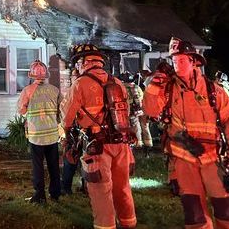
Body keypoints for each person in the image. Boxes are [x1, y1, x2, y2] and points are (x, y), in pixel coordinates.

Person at [144, 37, 229, 229]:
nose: (177, 65)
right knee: (195, 213)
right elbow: (150, 111)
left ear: (193, 61)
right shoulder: (167, 89)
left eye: (182, 60)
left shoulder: (214, 90)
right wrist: (155, 85)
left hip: (213, 158)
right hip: (183, 161)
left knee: (226, 208)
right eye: (174, 61)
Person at [64, 43, 137, 229]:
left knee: (101, 190)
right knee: (122, 187)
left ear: (83, 62)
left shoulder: (80, 84)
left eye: (77, 64)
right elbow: (126, 112)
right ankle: (129, 223)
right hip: (121, 144)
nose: (76, 68)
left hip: (97, 147)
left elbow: (67, 117)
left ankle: (106, 226)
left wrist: (67, 136)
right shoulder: (117, 82)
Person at [18, 60, 63, 203]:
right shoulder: (55, 90)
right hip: (52, 135)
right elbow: (61, 110)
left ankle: (39, 195)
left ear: (31, 75)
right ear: (46, 74)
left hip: (36, 135)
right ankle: (55, 194)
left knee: (37, 166)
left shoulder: (27, 90)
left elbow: (21, 110)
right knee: (54, 165)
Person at [122, 72, 152, 150]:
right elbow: (142, 96)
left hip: (132, 111)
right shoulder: (137, 87)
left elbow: (125, 100)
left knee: (136, 127)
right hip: (142, 109)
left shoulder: (123, 88)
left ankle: (138, 144)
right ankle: (149, 143)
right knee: (145, 126)